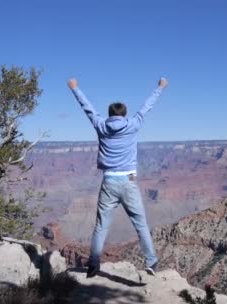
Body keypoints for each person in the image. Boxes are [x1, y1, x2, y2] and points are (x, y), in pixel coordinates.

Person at [68, 77, 168, 277]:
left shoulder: (101, 125)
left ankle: (94, 264)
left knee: (101, 225)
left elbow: (86, 107)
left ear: (109, 114)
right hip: (129, 182)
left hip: (109, 181)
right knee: (140, 223)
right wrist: (160, 88)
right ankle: (151, 261)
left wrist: (75, 88)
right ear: (124, 114)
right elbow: (147, 107)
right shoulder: (133, 124)